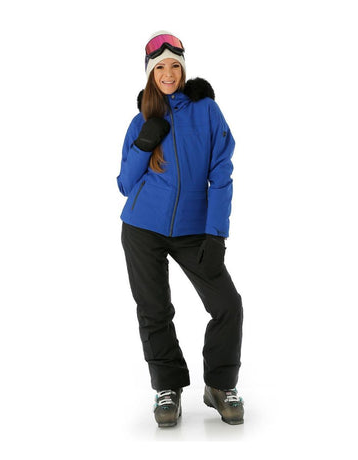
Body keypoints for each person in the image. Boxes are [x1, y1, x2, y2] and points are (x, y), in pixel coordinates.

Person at [117, 31, 244, 427]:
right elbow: (125, 184)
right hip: (142, 227)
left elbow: (221, 173)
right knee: (154, 310)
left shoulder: (206, 111)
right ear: (150, 73)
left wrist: (216, 233)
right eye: (160, 67)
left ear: (184, 69)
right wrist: (143, 144)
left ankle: (220, 385)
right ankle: (167, 388)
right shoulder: (141, 120)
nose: (169, 74)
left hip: (194, 229)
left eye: (175, 66)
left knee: (227, 305)